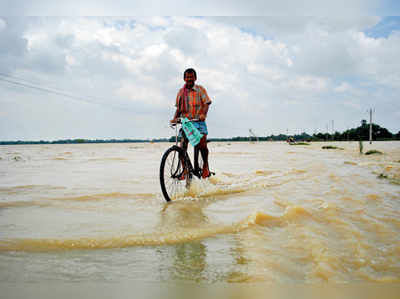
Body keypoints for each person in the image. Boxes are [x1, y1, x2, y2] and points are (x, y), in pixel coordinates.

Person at [170, 68, 212, 179]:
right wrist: (174, 119)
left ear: (195, 78)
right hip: (187, 123)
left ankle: (205, 167)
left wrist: (203, 114)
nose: (189, 79)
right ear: (184, 78)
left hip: (198, 121)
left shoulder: (200, 90)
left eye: (191, 77)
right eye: (187, 77)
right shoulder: (181, 92)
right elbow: (179, 109)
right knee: (181, 148)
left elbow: (207, 103)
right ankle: (185, 170)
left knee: (203, 145)